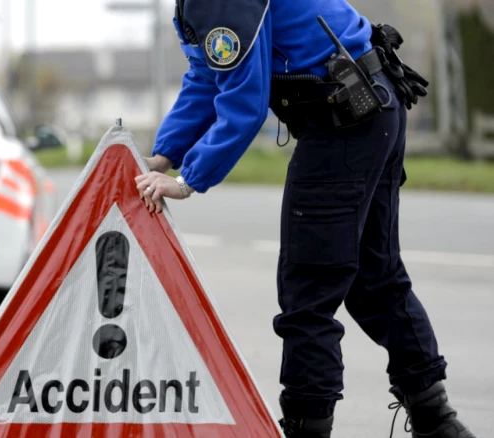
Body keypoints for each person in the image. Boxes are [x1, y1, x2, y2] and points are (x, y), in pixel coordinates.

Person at [134, 1, 477, 437]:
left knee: (309, 293)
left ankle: (308, 427)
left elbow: (244, 101)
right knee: (375, 279)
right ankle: (437, 422)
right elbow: (207, 74)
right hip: (373, 104)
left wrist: (188, 180)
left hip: (345, 117)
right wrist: (164, 156)